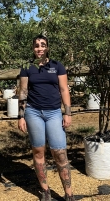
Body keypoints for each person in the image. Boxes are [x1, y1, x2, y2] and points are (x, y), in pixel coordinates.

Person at [18, 34, 75, 201]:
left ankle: (69, 193)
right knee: (38, 151)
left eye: (43, 45)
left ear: (47, 47)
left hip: (54, 113)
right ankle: (45, 191)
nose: (39, 48)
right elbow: (23, 92)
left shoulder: (57, 66)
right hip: (33, 112)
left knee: (60, 152)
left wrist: (68, 112)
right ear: (33, 48)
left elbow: (64, 90)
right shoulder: (27, 67)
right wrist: (21, 116)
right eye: (36, 45)